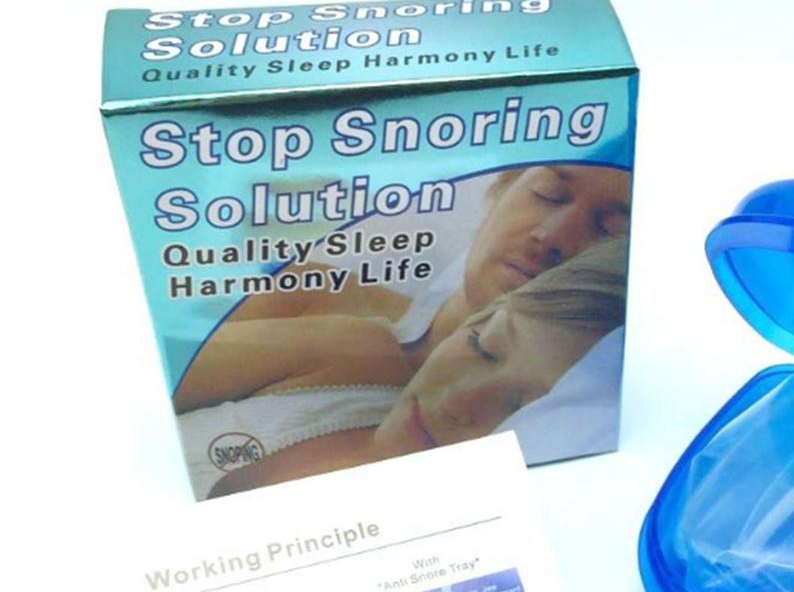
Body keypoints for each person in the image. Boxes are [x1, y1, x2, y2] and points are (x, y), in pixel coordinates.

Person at [172, 164, 630, 495]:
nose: (551, 237)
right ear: (500, 191)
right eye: (549, 193)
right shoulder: (330, 312)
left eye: (610, 230)